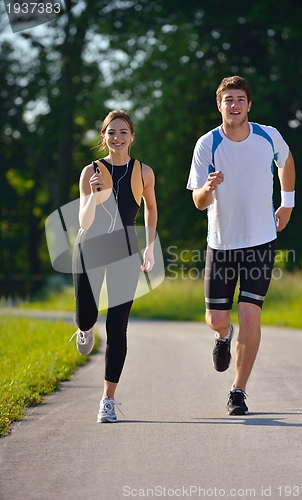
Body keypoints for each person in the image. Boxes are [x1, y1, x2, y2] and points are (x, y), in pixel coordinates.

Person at [187, 76, 295, 415]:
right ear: (219, 105)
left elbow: (286, 163)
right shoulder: (207, 144)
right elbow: (199, 202)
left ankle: (238, 391)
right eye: (228, 99)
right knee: (216, 317)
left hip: (261, 240)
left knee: (250, 312)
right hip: (221, 243)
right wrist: (208, 186)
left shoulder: (268, 136)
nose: (234, 105)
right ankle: (223, 337)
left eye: (240, 99)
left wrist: (287, 203)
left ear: (248, 105)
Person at [71, 110, 157, 422]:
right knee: (86, 316)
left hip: (124, 251)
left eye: (123, 132)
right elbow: (84, 221)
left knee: (117, 327)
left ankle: (107, 399)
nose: (117, 138)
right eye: (111, 132)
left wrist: (149, 247)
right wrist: (94, 196)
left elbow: (150, 210)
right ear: (104, 137)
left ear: (132, 137)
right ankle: (83, 328)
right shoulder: (90, 171)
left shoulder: (144, 172)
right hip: (89, 248)